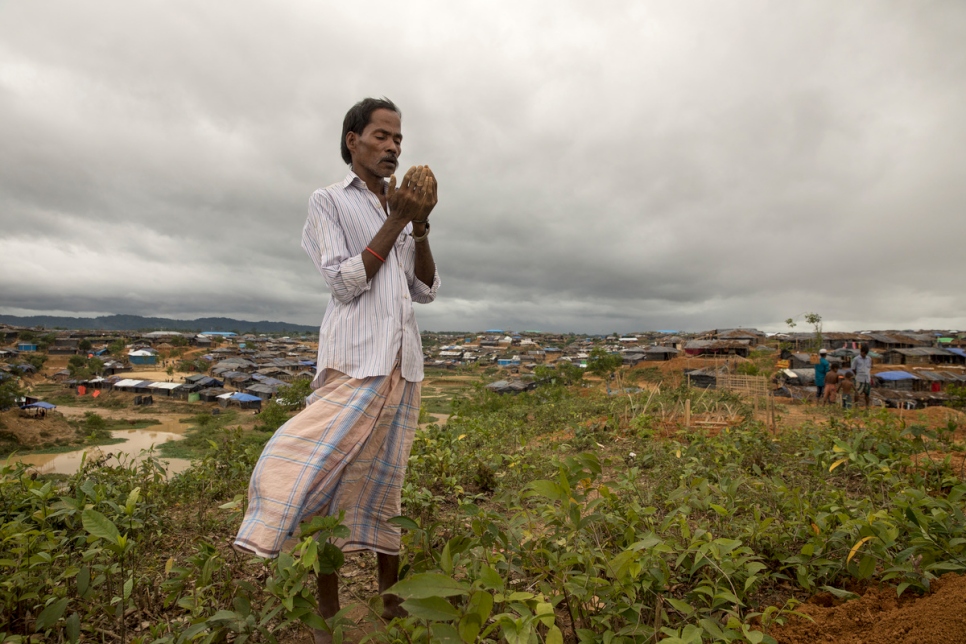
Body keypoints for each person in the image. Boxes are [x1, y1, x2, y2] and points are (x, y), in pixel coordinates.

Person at [233, 98, 440, 642]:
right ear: (352, 139)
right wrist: (396, 220)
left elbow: (425, 291)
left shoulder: (402, 206)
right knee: (321, 483)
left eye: (398, 138)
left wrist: (419, 226)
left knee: (384, 485)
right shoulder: (328, 201)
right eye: (380, 136)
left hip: (400, 365)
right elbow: (345, 282)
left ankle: (389, 604)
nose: (393, 147)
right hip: (352, 362)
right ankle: (326, 614)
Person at [851, 344, 873, 409]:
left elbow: (870, 367)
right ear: (861, 351)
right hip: (859, 378)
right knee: (857, 393)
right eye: (864, 353)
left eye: (866, 353)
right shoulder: (856, 359)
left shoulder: (869, 359)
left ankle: (867, 407)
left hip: (867, 379)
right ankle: (856, 407)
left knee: (867, 394)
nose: (865, 354)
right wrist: (857, 374)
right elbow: (853, 369)